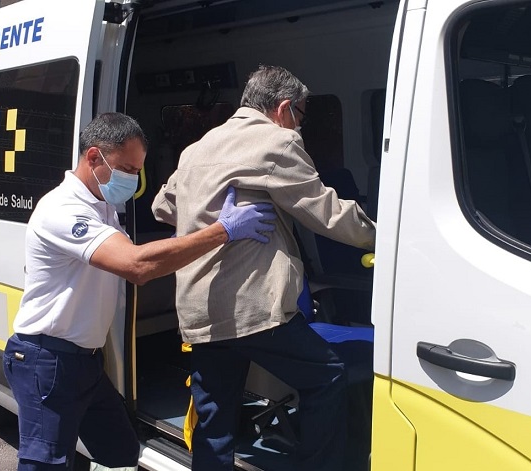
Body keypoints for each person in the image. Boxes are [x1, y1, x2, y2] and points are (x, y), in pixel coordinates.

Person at [2, 112, 276, 471]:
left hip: (83, 362)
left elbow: (151, 257)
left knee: (120, 452)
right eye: (127, 169)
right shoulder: (63, 209)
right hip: (46, 360)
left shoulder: (101, 206)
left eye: (138, 171)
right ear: (94, 158)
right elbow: (137, 266)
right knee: (46, 465)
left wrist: (204, 231)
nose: (132, 179)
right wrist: (223, 230)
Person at [151, 65, 376, 471]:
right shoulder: (276, 142)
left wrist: (211, 216)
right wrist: (386, 238)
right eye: (301, 116)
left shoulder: (199, 147)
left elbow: (163, 207)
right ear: (284, 108)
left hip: (201, 309)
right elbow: (325, 213)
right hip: (253, 310)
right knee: (326, 376)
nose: (300, 126)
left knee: (215, 418)